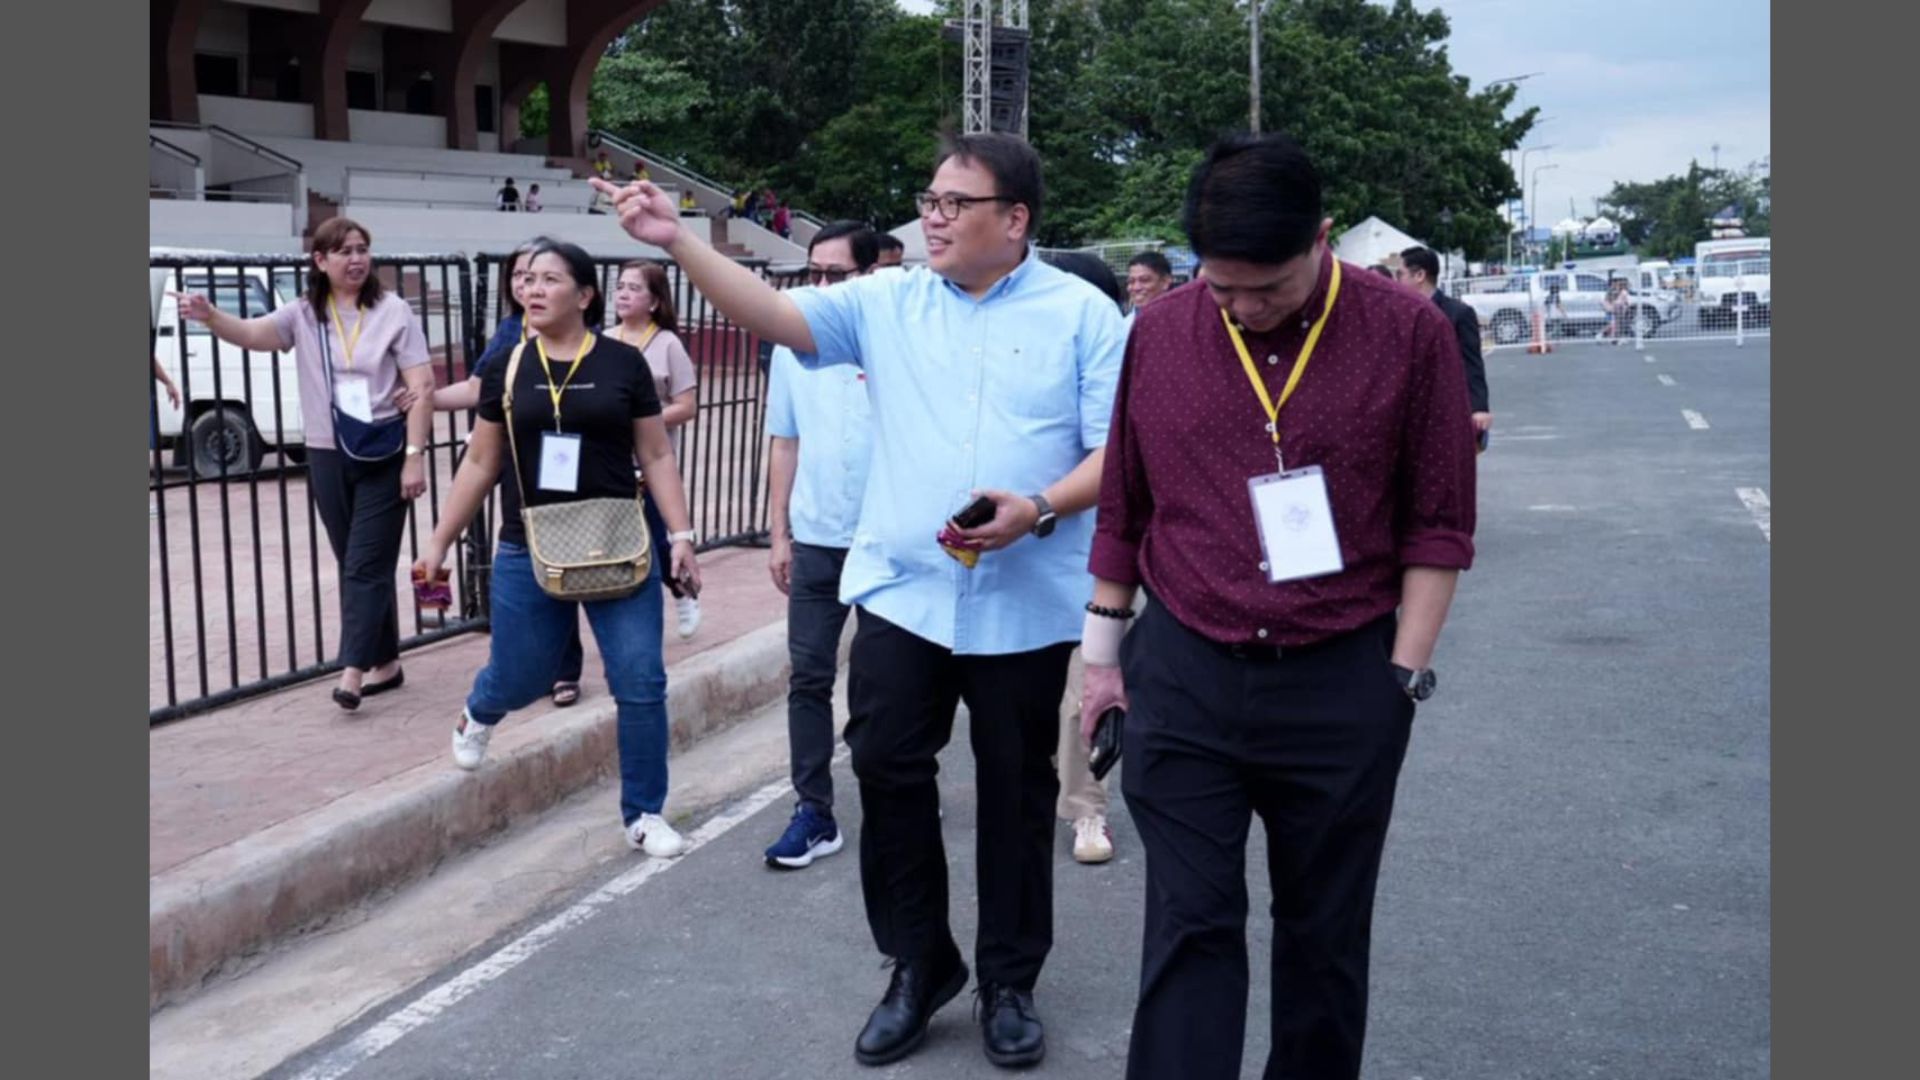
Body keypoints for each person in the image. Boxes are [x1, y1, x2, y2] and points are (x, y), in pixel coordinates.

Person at [593, 130, 1127, 1070]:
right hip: (904, 594)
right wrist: (677, 240)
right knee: (884, 764)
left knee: (1015, 789)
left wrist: (1037, 506)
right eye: (928, 198)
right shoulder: (888, 300)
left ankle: (1010, 979)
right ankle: (920, 966)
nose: (933, 215)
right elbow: (774, 315)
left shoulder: (1083, 316)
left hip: (1024, 602)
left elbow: (1114, 455)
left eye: (956, 203)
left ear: (1016, 218)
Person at [1079, 132, 1476, 1080]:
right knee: (1190, 924)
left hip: (1343, 676)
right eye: (1225, 290)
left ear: (1322, 239)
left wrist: (1401, 678)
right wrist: (1100, 664)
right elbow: (1126, 502)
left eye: (1271, 288)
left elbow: (1439, 522)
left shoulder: (1408, 334)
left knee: (1324, 932)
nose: (1248, 311)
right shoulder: (1162, 331)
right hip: (1183, 670)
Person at [412, 239, 705, 857]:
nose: (533, 289)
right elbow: (481, 460)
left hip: (615, 539)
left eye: (549, 279)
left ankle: (645, 813)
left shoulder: (624, 365)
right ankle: (480, 710)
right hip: (528, 542)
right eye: (527, 280)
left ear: (585, 293)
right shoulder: (508, 367)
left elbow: (655, 453)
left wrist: (680, 536)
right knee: (524, 675)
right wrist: (437, 541)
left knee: (641, 680)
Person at [172, 218, 437, 710]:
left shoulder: (394, 310)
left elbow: (421, 387)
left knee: (363, 563)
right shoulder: (303, 314)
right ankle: (388, 663)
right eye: (344, 252)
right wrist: (210, 317)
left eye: (363, 250)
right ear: (320, 261)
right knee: (358, 562)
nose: (357, 259)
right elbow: (253, 333)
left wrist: (415, 458)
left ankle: (353, 671)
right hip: (327, 452)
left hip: (385, 451)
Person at [761, 221, 881, 870]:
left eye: (836, 275)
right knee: (807, 677)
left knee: (883, 686)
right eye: (814, 274)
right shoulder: (792, 346)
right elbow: (785, 439)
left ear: (866, 277)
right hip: (816, 542)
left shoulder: (894, 341)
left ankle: (894, 787)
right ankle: (814, 811)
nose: (822, 287)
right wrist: (779, 530)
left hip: (888, 545)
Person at [545, 259, 705, 704]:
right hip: (610, 464)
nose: (624, 295)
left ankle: (683, 589)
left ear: (654, 300)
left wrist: (642, 420)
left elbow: (687, 405)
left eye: (635, 289)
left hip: (650, 460)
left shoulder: (668, 344)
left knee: (658, 532)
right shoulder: (602, 342)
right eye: (620, 287)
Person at [1037, 250, 1127, 865]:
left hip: (1098, 559)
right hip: (1025, 553)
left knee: (1081, 685)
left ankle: (1086, 811)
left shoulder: (1120, 361)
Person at [426, 239, 544, 414]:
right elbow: (476, 388)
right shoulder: (511, 327)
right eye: (516, 274)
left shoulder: (584, 335)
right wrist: (424, 400)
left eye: (531, 276)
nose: (521, 284)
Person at [1397, 246, 1491, 449]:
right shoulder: (1399, 312)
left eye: (1400, 274)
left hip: (1447, 408)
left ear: (1419, 275)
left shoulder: (1458, 313)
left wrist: (1479, 407)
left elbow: (1471, 362)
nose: (1396, 281)